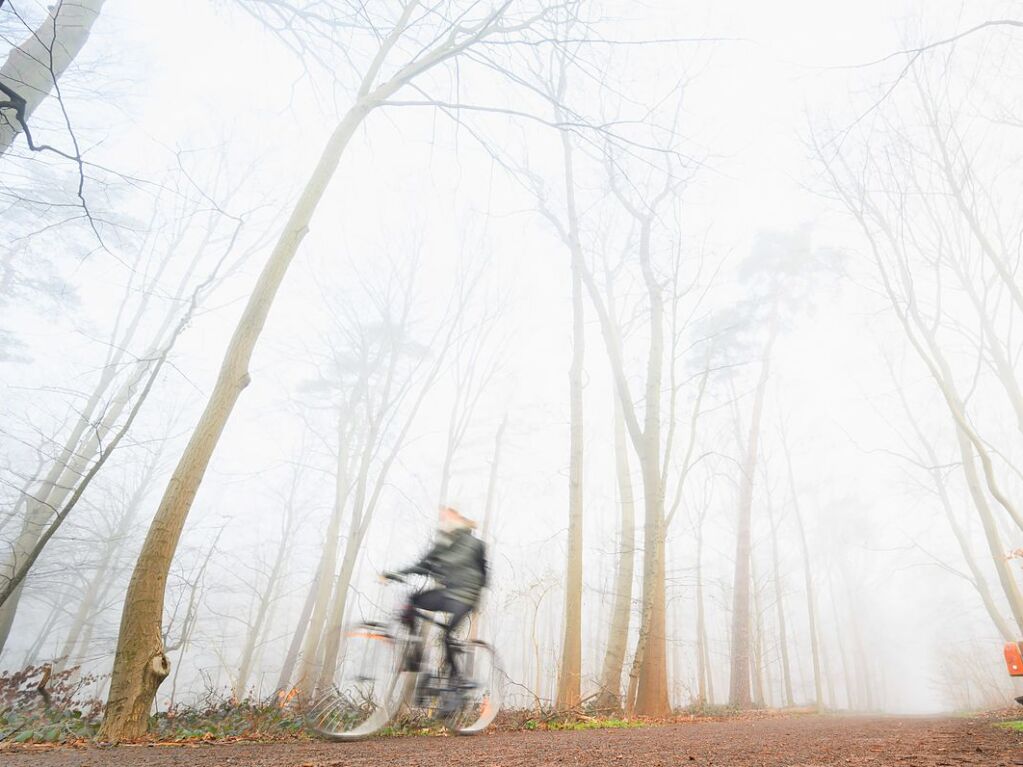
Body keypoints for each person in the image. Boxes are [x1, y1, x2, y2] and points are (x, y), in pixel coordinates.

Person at [391, 505, 488, 684]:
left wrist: (477, 594)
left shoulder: (473, 543)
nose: (444, 520)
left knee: (446, 638)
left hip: (465, 597)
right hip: (448, 594)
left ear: (459, 520)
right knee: (411, 602)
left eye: (448, 517)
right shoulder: (443, 543)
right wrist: (398, 573)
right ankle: (416, 653)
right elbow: (423, 565)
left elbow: (473, 566)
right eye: (443, 518)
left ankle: (456, 679)